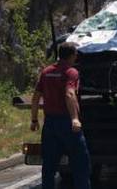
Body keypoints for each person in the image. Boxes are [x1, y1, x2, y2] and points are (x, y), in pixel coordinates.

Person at [30, 42, 91, 189]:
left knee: (49, 167)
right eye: (76, 54)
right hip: (66, 124)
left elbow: (36, 97)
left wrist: (34, 120)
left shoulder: (46, 72)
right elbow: (69, 94)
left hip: (50, 124)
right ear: (71, 56)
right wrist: (75, 118)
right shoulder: (71, 72)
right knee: (81, 165)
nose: (77, 57)